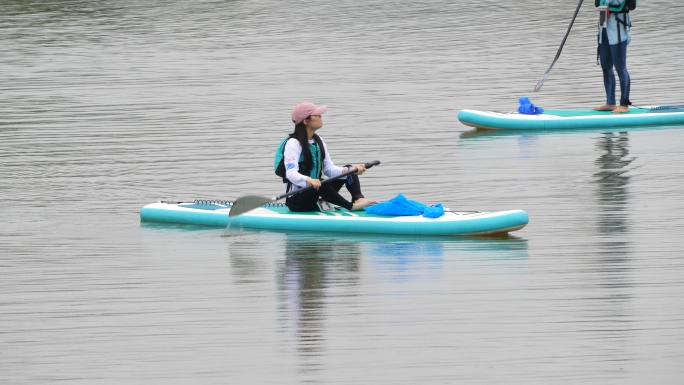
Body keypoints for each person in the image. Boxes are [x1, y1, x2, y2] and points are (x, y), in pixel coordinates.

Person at [281, 102, 377, 212]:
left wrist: (350, 170)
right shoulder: (293, 144)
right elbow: (290, 173)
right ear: (305, 121)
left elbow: (329, 169)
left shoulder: (318, 141)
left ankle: (358, 199)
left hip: (316, 194)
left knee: (349, 170)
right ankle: (351, 207)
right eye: (316, 115)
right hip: (297, 201)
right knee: (320, 181)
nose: (320, 117)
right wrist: (309, 180)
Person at [593, 0, 633, 113]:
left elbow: (616, 2)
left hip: (618, 29)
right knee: (605, 67)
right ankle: (610, 102)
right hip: (604, 28)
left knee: (620, 68)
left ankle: (624, 105)